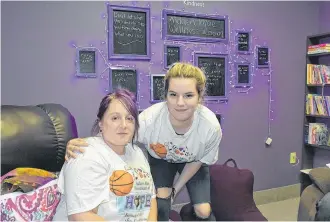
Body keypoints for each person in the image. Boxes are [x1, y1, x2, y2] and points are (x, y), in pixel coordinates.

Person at [66, 62, 223, 221]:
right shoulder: (148, 121)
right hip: (161, 160)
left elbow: (197, 162)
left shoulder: (210, 128)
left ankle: (187, 213)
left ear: (199, 96)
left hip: (192, 161)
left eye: (188, 95)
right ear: (166, 95)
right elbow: (116, 134)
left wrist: (176, 188)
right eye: (173, 94)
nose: (180, 103)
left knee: (203, 211)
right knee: (162, 204)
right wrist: (85, 145)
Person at [53, 89, 157, 221]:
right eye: (115, 118)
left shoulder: (137, 153)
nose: (124, 125)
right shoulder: (85, 154)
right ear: (101, 123)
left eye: (129, 118)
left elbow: (151, 199)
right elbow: (81, 216)